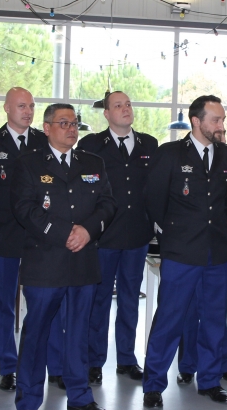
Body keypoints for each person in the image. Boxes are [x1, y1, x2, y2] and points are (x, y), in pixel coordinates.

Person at [10, 103, 115, 410]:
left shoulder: (92, 162)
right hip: (46, 263)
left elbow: (107, 203)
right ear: (46, 128)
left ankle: (80, 395)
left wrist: (87, 230)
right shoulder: (28, 164)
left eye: (75, 123)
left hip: (83, 260)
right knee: (37, 332)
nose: (71, 128)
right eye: (63, 123)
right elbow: (24, 209)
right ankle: (27, 402)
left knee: (78, 332)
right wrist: (62, 232)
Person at [142, 95, 227, 409]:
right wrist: (173, 234)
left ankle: (209, 380)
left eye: (222, 120)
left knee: (213, 318)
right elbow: (154, 200)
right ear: (197, 121)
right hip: (182, 251)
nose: (221, 126)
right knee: (169, 318)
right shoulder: (170, 154)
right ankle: (154, 384)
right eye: (216, 120)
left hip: (218, 251)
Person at [75, 91, 157, 384]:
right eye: (118, 106)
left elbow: (154, 189)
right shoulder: (91, 145)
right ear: (106, 114)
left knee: (129, 299)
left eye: (128, 104)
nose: (125, 109)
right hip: (103, 236)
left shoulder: (149, 144)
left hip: (137, 235)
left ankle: (126, 358)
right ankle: (94, 360)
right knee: (98, 300)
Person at [0, 87, 47, 392]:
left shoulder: (44, 141)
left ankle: (36, 361)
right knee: (4, 302)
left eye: (31, 106)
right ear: (6, 108)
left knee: (39, 301)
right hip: (3, 234)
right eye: (21, 106)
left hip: (37, 236)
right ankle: (7, 364)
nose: (27, 111)